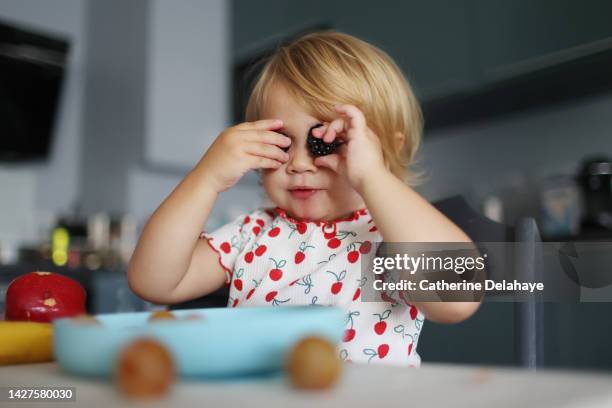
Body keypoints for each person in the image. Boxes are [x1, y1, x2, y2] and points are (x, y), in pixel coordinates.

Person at [128, 31, 481, 366]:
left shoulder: (392, 235)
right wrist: (204, 179)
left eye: (326, 144)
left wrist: (373, 176)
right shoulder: (253, 233)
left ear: (385, 151)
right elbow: (154, 283)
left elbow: (457, 300)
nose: (298, 164)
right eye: (281, 143)